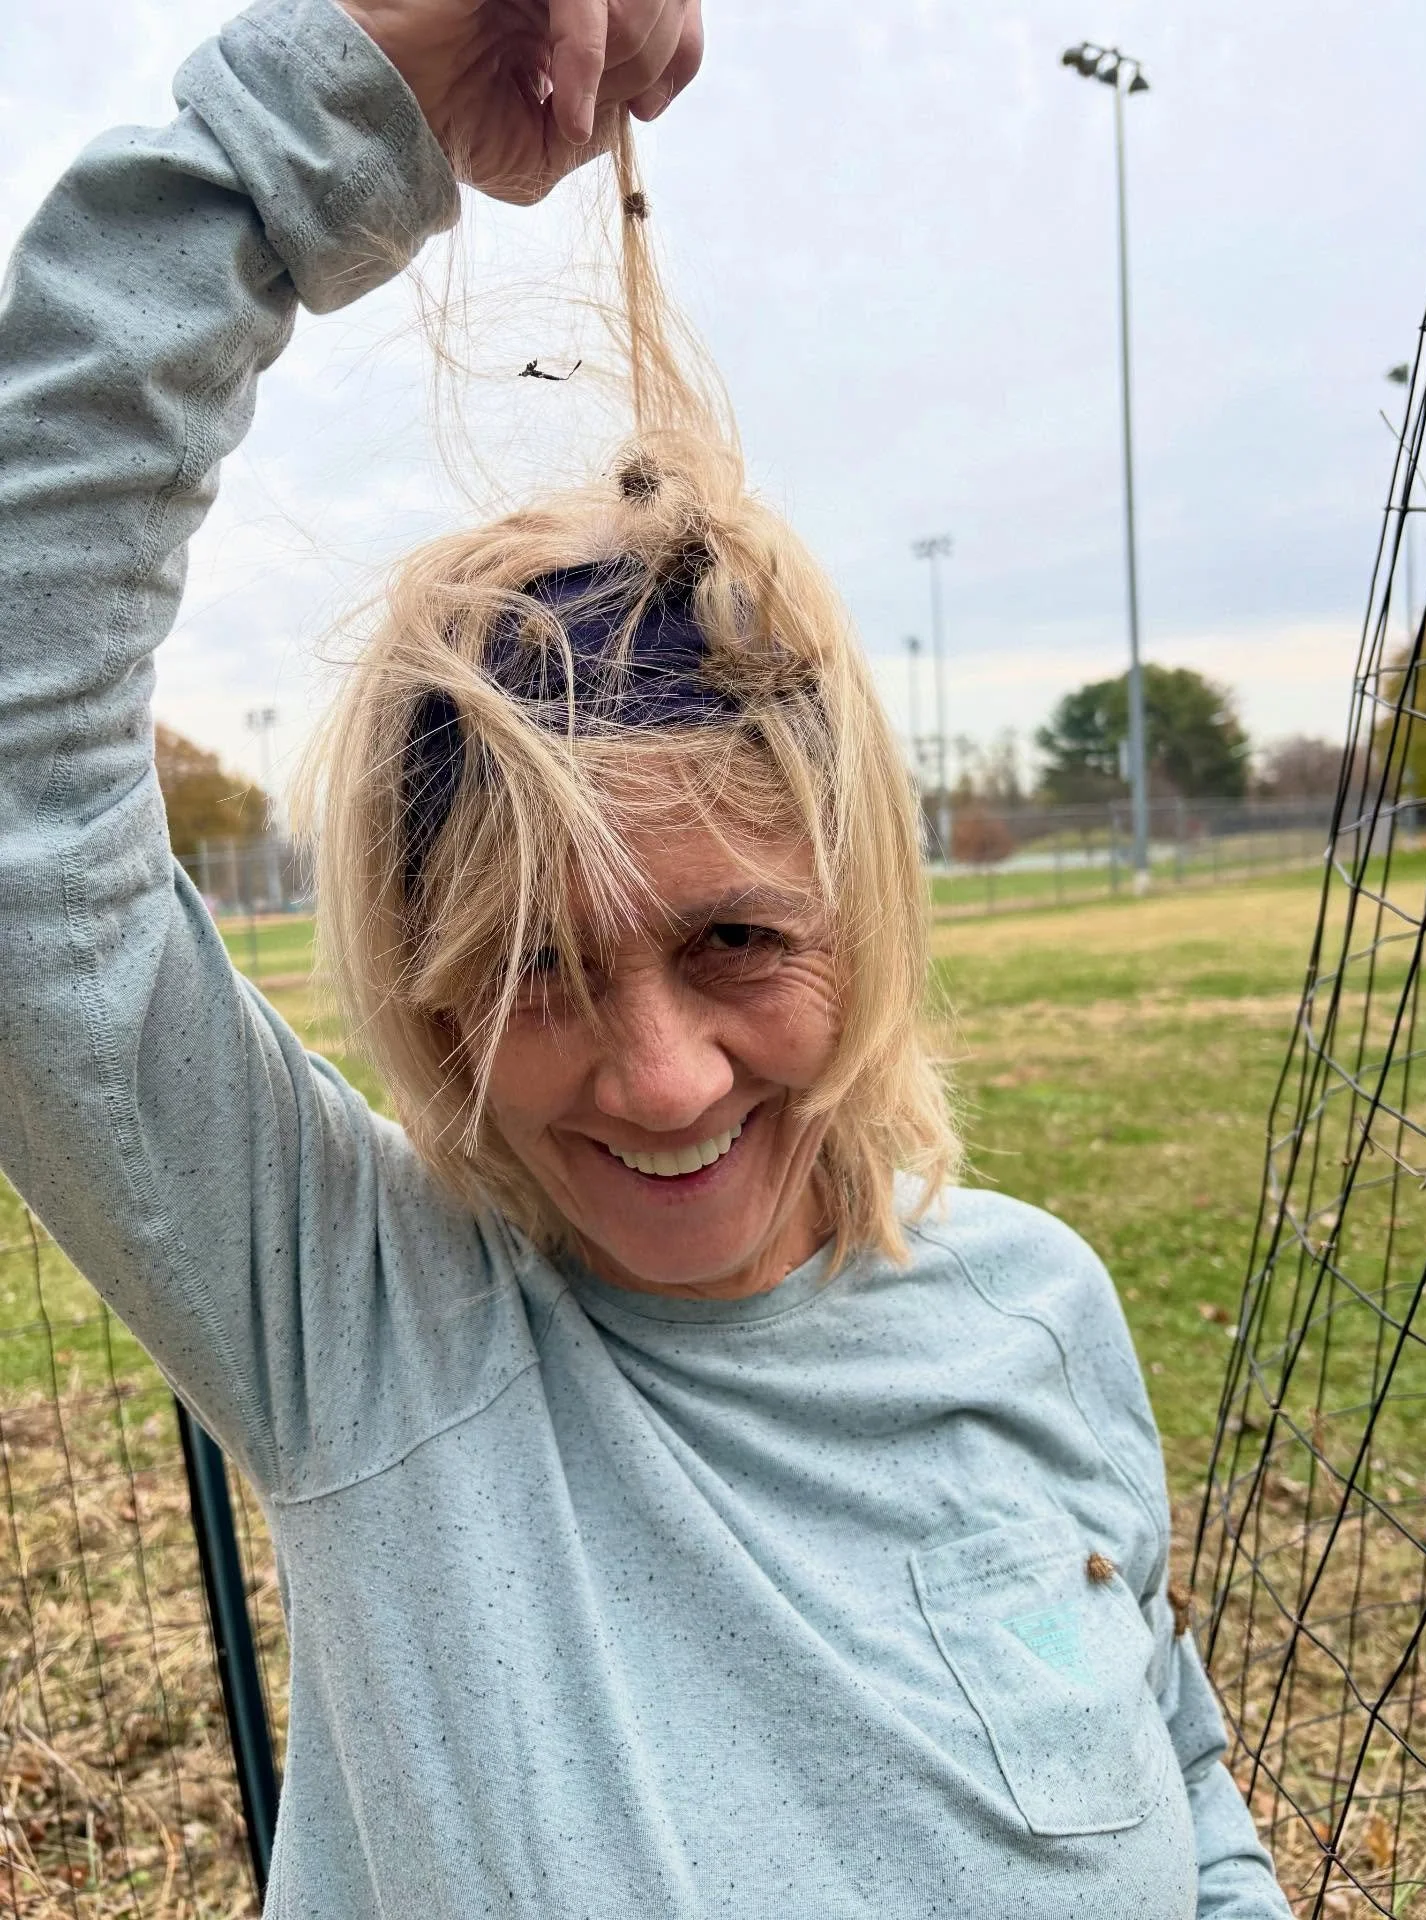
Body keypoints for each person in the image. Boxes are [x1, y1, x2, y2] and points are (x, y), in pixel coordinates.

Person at [0, 1, 1292, 1914]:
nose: (667, 1078)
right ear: (430, 1002)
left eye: (738, 938)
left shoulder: (1042, 1312)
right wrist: (327, 113)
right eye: (533, 969)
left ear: (861, 907)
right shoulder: (367, 1328)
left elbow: (1173, 1758)